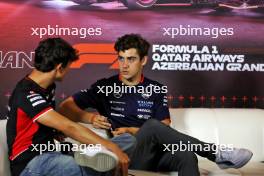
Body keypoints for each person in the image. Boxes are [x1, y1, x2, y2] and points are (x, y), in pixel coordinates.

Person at [59, 34, 253, 176]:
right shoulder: (105, 86)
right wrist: (91, 118)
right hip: (126, 153)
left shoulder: (156, 88)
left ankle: (217, 155)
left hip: (154, 153)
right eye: (121, 58)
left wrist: (134, 129)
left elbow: (164, 125)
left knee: (186, 155)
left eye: (131, 59)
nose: (124, 65)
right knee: (151, 125)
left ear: (143, 60)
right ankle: (216, 153)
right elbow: (65, 107)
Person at [6, 38, 132, 176]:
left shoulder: (48, 87)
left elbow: (39, 123)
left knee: (128, 140)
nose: (68, 71)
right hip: (31, 163)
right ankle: (95, 162)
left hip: (53, 153)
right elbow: (69, 127)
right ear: (60, 68)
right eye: (68, 67)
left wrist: (53, 133)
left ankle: (97, 161)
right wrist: (111, 146)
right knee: (74, 165)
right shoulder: (26, 93)